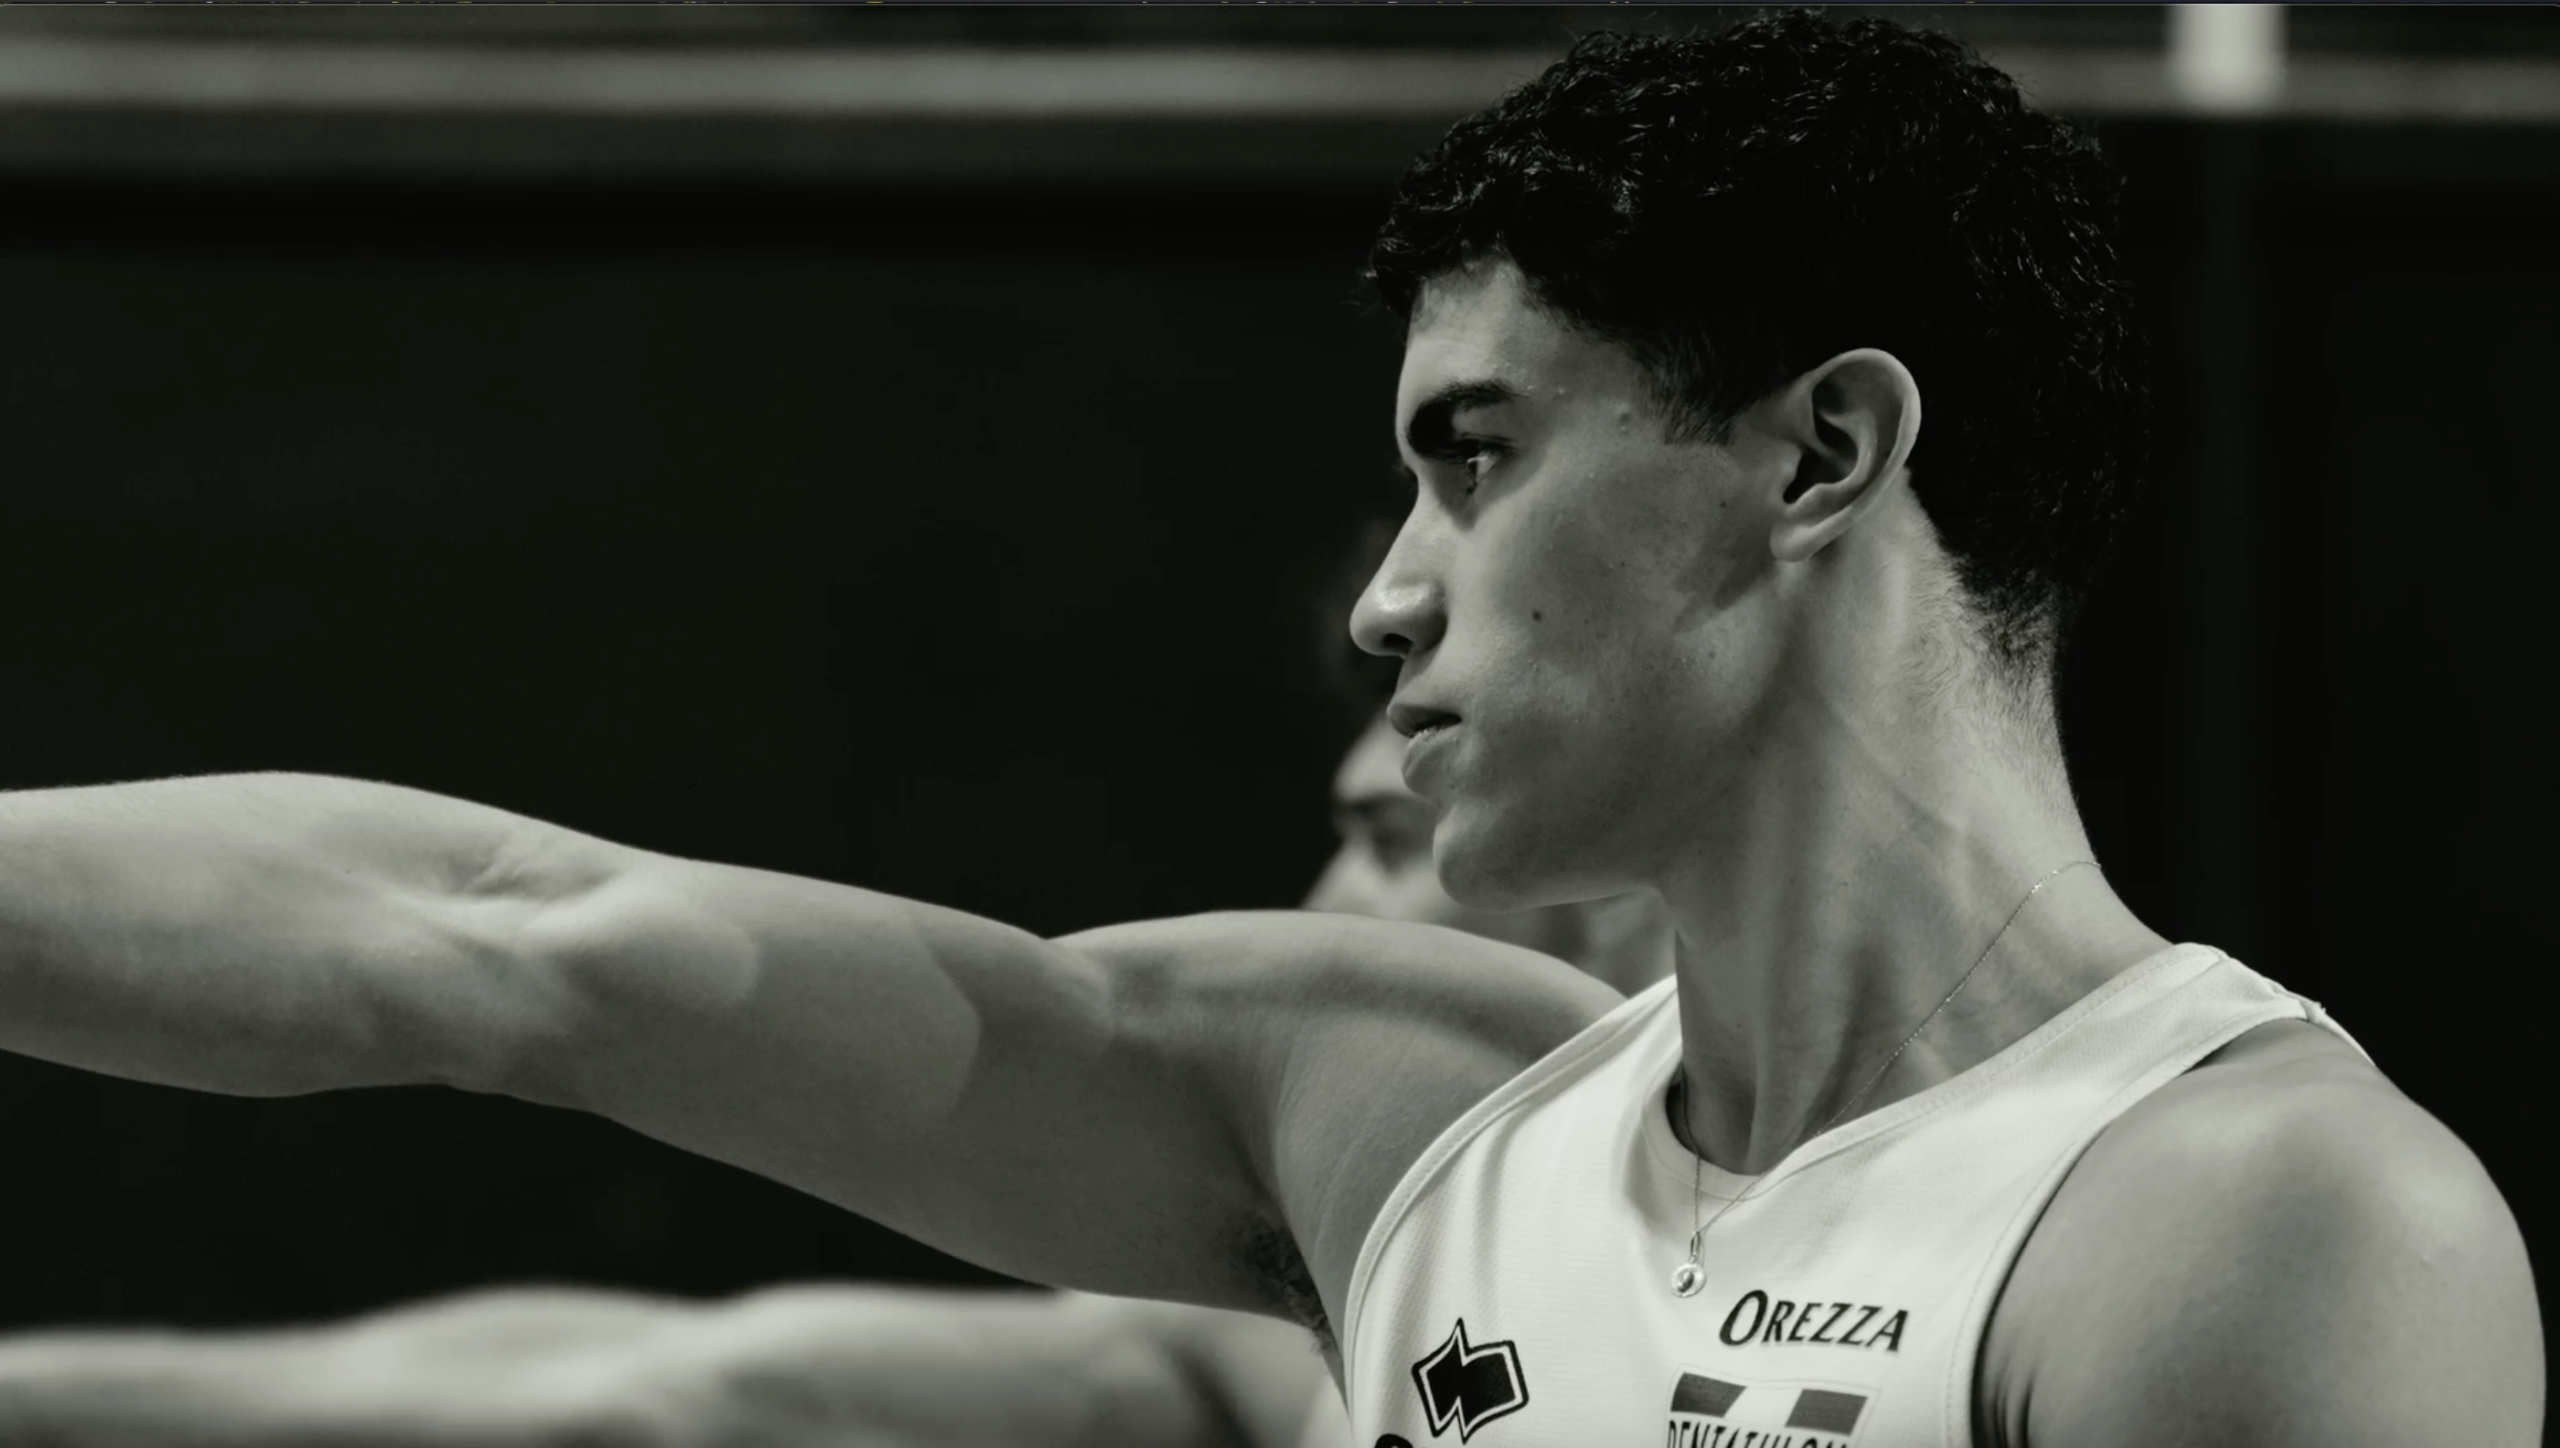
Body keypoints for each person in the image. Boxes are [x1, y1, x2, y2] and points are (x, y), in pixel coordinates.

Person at [0, 10, 2538, 1445]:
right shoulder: (1392, 1105)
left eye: (1477, 456)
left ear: (1817, 455)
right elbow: (496, 932)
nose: (1385, 595)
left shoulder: (2257, 1218)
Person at [0, 711, 1672, 1448]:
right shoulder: (1371, 1259)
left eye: (1387, 839)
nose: (1324, 902)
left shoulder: (1847, 1216)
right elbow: (670, 1390)